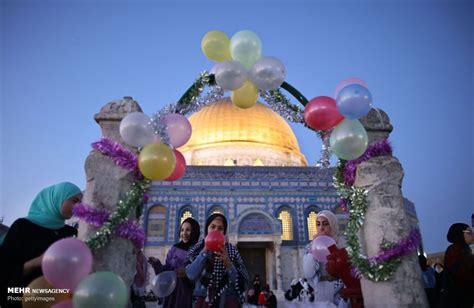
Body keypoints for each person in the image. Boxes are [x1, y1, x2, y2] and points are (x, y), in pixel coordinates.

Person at [0, 182, 82, 308]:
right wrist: (37, 261)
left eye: (81, 204)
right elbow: (4, 272)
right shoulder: (23, 227)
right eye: (75, 201)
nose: (78, 207)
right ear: (58, 198)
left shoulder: (71, 232)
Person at [186, 213, 249, 308]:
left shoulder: (232, 250)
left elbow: (242, 282)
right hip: (202, 300)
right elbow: (191, 275)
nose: (216, 230)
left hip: (227, 300)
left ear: (224, 232)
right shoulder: (196, 249)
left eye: (220, 228)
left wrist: (228, 263)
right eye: (213, 227)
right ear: (207, 229)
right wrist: (204, 252)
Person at [148, 217, 201, 308]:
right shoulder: (174, 248)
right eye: (182, 230)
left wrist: (186, 274)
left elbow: (198, 275)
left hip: (186, 294)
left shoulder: (197, 251)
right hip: (171, 293)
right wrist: (157, 264)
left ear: (194, 232)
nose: (184, 233)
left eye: (188, 230)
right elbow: (166, 271)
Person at [302, 210, 346, 308]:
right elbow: (309, 273)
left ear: (333, 225)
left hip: (340, 289)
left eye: (325, 224)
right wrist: (313, 248)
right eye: (318, 224)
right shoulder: (311, 247)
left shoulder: (342, 245)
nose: (321, 228)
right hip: (321, 289)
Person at [439, 223, 474, 308]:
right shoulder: (454, 251)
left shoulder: (465, 250)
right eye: (469, 232)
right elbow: (462, 274)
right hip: (459, 300)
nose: (472, 235)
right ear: (460, 234)